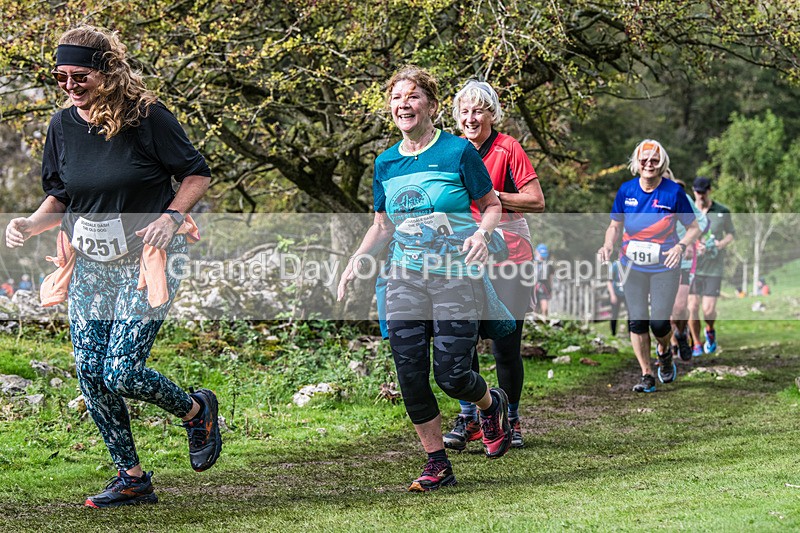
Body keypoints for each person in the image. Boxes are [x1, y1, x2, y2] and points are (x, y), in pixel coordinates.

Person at [4, 25, 220, 508]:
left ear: (107, 70)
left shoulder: (147, 117)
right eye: (60, 76)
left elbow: (196, 172)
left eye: (78, 75)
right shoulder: (62, 126)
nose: (69, 85)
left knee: (121, 371)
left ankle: (195, 411)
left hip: (147, 258)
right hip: (90, 264)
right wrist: (30, 223)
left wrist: (171, 216)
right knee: (90, 371)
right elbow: (61, 193)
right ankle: (132, 478)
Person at [337, 66, 511, 492]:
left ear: (431, 105)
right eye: (396, 98)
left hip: (455, 276)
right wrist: (356, 259)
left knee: (453, 375)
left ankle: (490, 404)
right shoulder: (386, 162)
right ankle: (437, 463)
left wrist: (484, 236)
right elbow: (382, 224)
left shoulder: (458, 153)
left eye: (412, 96)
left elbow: (491, 205)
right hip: (403, 279)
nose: (403, 104)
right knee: (410, 372)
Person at [442, 79, 545, 452]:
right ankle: (470, 417)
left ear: (491, 113)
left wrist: (491, 198)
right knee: (461, 339)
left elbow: (536, 199)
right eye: (465, 111)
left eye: (478, 110)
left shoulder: (507, 147)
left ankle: (511, 418)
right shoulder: (449, 151)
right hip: (464, 255)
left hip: (510, 255)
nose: (471, 118)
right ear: (457, 117)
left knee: (505, 344)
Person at [598, 140, 700, 392]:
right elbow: (614, 225)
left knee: (659, 324)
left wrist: (681, 246)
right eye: (644, 160)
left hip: (665, 264)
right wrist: (608, 245)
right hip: (631, 264)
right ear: (637, 162)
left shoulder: (673, 192)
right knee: (637, 321)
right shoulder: (626, 190)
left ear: (662, 163)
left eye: (654, 160)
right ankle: (646, 374)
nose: (649, 164)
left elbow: (694, 228)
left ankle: (664, 352)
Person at [688, 177, 735, 356]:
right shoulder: (689, 212)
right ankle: (697, 343)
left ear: (710, 191)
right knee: (692, 307)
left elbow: (731, 234)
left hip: (714, 267)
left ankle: (710, 330)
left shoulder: (722, 211)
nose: (700, 195)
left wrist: (719, 245)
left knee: (708, 310)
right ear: (694, 191)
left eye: (703, 192)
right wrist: (694, 245)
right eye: (697, 192)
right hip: (693, 266)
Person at [664, 174, 708, 361]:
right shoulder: (644, 198)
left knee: (680, 307)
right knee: (664, 311)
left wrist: (690, 241)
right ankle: (668, 346)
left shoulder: (681, 197)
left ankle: (682, 334)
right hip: (656, 261)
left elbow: (701, 222)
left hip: (682, 259)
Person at [533, 243, 553, 317]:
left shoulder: (531, 261)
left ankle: (534, 319)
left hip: (533, 285)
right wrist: (550, 289)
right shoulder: (548, 264)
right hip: (544, 286)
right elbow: (550, 278)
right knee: (543, 302)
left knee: (534, 303)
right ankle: (544, 317)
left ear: (536, 251)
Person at [606, 260, 625, 336]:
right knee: (614, 314)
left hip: (626, 293)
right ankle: (613, 334)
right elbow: (609, 281)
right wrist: (612, 295)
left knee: (631, 314)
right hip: (616, 292)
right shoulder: (614, 265)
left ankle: (631, 334)